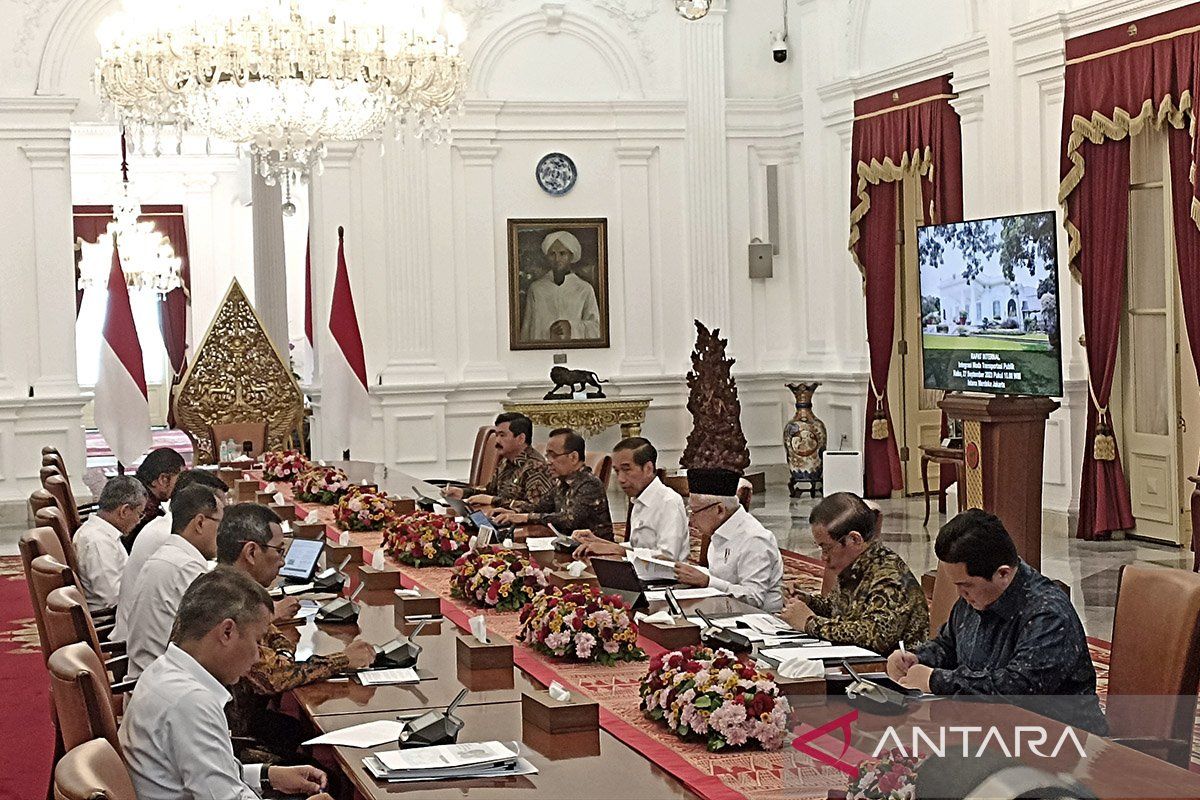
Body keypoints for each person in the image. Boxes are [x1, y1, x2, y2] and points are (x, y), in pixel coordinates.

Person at [886, 509, 1107, 735]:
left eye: (966, 585)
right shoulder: (976, 597)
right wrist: (916, 659)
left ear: (1002, 574)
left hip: (1060, 740)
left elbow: (1017, 690)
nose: (961, 594)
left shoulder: (1047, 614)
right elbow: (948, 645)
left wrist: (935, 680)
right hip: (993, 730)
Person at [119, 567, 332, 800]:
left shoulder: (162, 671)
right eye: (257, 641)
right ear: (227, 632)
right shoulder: (191, 701)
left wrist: (268, 775)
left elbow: (211, 774)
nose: (258, 656)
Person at [215, 503, 376, 756]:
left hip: (243, 722)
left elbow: (275, 641)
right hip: (230, 741)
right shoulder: (228, 601)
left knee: (298, 733)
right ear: (251, 552)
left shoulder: (229, 587)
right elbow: (273, 677)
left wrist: (283, 657)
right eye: (279, 551)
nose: (283, 561)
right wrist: (344, 659)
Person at [778, 492, 927, 655]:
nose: (823, 557)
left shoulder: (890, 577)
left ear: (854, 539)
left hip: (891, 671)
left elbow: (874, 635)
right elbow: (836, 608)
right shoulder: (855, 567)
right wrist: (807, 601)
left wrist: (809, 623)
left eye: (827, 547)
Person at [114, 470, 230, 639]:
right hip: (140, 650)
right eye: (220, 521)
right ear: (199, 521)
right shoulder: (172, 546)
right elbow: (214, 624)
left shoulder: (170, 531)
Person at [124, 484, 224, 678]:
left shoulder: (170, 554)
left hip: (153, 678)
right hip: (164, 686)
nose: (222, 534)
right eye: (220, 524)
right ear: (200, 523)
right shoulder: (185, 567)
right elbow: (217, 636)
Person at [573, 437, 688, 576]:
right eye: (617, 471)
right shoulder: (639, 498)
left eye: (626, 470)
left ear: (648, 468)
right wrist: (597, 541)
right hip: (639, 575)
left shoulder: (669, 502)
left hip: (665, 582)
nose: (621, 479)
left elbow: (668, 558)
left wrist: (618, 550)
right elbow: (636, 548)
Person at [673, 468, 784, 612]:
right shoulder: (718, 530)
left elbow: (754, 598)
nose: (691, 521)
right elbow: (719, 577)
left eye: (694, 512)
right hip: (723, 610)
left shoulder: (755, 539)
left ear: (719, 510)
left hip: (758, 621)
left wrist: (707, 581)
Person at [491, 428, 613, 540]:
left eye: (553, 455)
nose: (548, 462)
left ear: (574, 457)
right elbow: (540, 507)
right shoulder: (562, 481)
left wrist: (526, 517)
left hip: (596, 554)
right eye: (547, 456)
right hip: (568, 548)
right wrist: (514, 512)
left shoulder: (589, 484)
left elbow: (569, 519)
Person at [443, 413, 554, 510]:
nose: (497, 440)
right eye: (496, 435)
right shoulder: (505, 461)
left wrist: (493, 500)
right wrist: (463, 493)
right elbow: (490, 491)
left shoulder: (536, 467)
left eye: (502, 435)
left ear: (521, 438)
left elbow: (536, 508)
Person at [72, 476, 147, 613]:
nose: (138, 521)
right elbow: (114, 598)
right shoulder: (98, 542)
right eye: (139, 514)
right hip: (110, 621)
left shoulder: (102, 534)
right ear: (124, 511)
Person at [519, 230, 601, 342]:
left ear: (571, 256)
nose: (557, 259)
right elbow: (527, 331)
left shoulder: (585, 289)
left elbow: (596, 328)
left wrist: (570, 327)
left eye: (562, 254)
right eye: (552, 254)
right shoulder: (536, 289)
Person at [128, 446, 186, 547]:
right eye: (179, 479)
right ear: (163, 479)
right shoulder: (145, 509)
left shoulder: (133, 492)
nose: (181, 485)